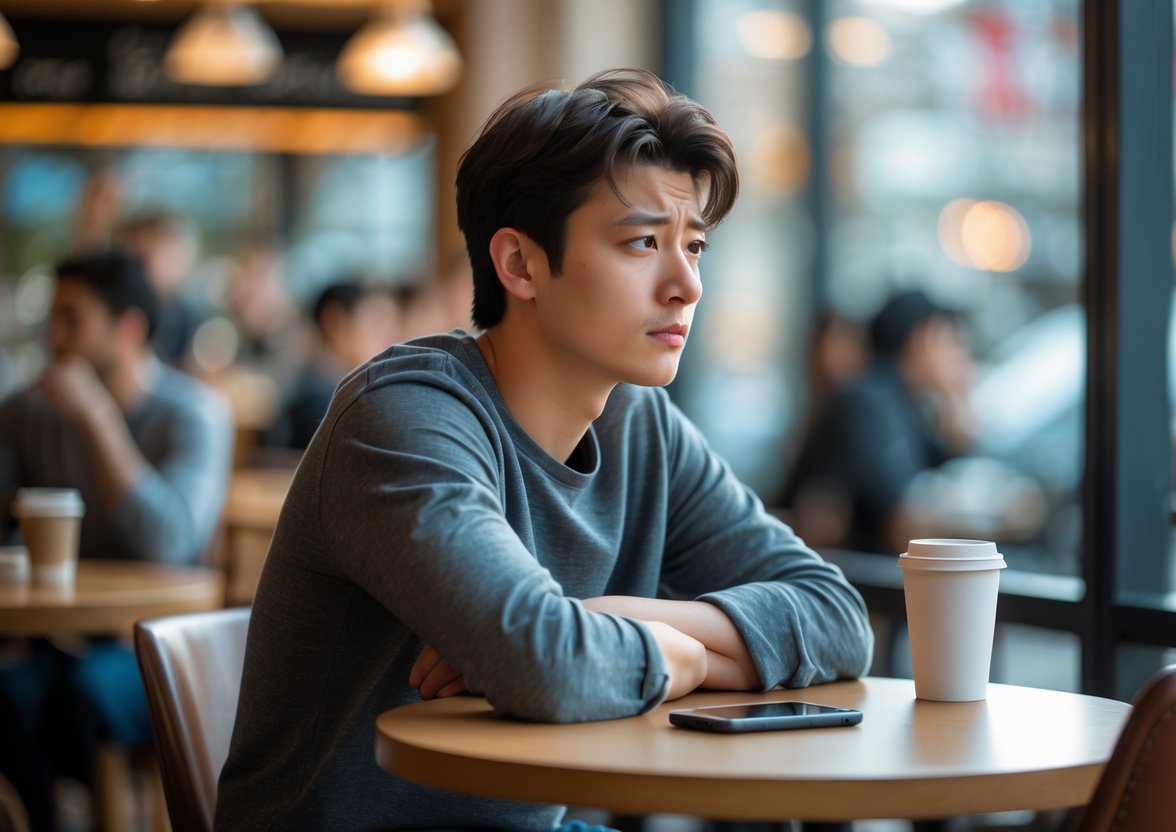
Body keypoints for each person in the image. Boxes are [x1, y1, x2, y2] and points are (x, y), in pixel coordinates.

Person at [214, 69, 873, 832]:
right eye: (641, 243)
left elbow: (836, 616)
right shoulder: (402, 417)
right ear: (518, 264)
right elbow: (546, 665)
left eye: (693, 246)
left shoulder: (641, 426)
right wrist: (682, 653)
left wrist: (599, 615)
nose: (686, 284)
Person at [0, 252, 233, 832]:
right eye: (51, 319)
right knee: (8, 696)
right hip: (54, 637)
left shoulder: (193, 414)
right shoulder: (29, 413)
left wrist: (99, 419)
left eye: (72, 320)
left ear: (128, 327)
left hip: (156, 643)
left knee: (85, 695)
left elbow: (170, 542)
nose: (54, 338)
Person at [779, 289, 977, 554]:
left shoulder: (904, 402)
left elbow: (954, 465)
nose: (960, 357)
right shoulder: (869, 399)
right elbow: (902, 526)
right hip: (836, 575)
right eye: (953, 342)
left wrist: (956, 395)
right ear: (924, 340)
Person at [264, 280, 401, 450]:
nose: (391, 338)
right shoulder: (319, 400)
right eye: (378, 325)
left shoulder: (327, 389)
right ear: (334, 321)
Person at [117, 209, 211, 367]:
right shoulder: (116, 311)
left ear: (180, 257)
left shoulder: (197, 322)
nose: (133, 268)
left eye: (143, 257)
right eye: (130, 256)